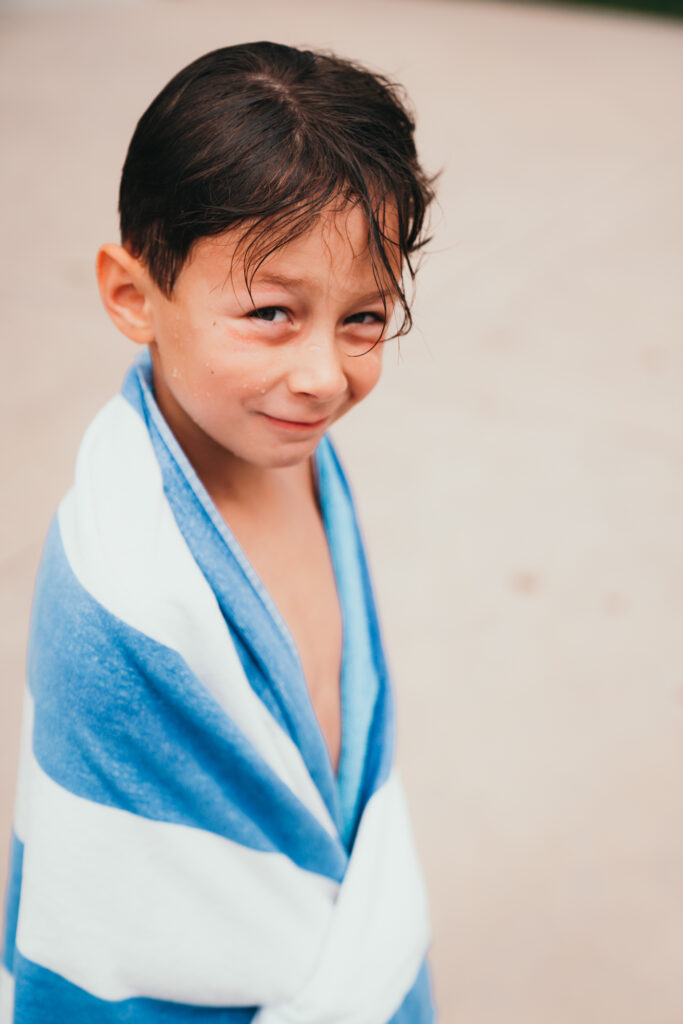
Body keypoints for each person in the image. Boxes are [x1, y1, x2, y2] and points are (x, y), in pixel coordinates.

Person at [1, 42, 437, 1022]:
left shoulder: (300, 452)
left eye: (364, 318)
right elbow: (105, 920)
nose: (324, 374)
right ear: (131, 294)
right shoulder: (124, 590)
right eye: (272, 312)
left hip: (354, 959)